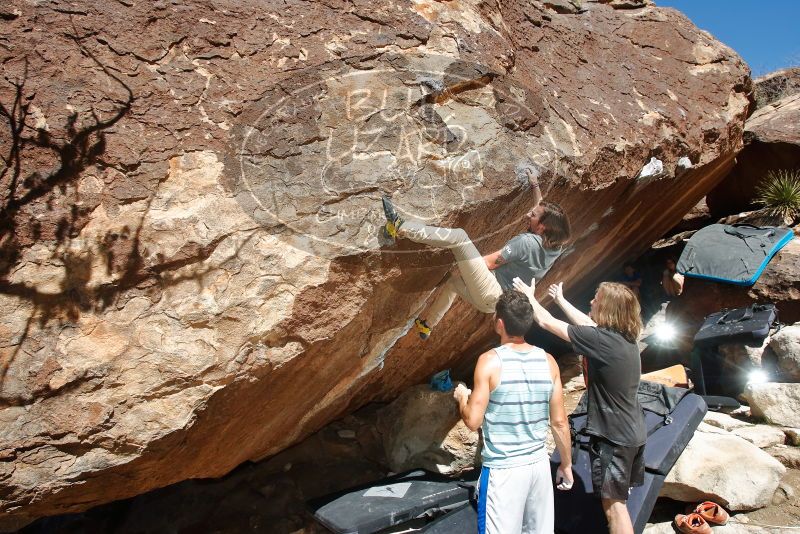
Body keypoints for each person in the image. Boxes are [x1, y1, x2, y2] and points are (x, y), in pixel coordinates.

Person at [512, 277, 645, 534]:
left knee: (614, 508)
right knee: (617, 503)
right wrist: (561, 300)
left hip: (613, 437)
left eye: (597, 299)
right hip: (633, 432)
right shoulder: (625, 337)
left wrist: (530, 296)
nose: (592, 301)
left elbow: (546, 322)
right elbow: (586, 324)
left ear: (608, 309)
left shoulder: (602, 341)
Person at [381, 168, 571, 339]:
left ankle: (399, 226)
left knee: (460, 238)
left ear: (542, 227)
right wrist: (534, 184)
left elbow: (487, 263)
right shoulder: (555, 245)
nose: (528, 214)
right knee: (452, 283)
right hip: (492, 305)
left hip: (491, 291)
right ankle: (426, 326)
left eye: (533, 216)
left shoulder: (526, 242)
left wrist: (464, 261)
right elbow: (541, 209)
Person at [453, 290, 573, 534]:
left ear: (499, 323)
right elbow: (559, 422)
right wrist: (566, 465)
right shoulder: (548, 361)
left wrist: (462, 398)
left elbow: (473, 421)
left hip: (504, 470)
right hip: (538, 466)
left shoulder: (489, 361)